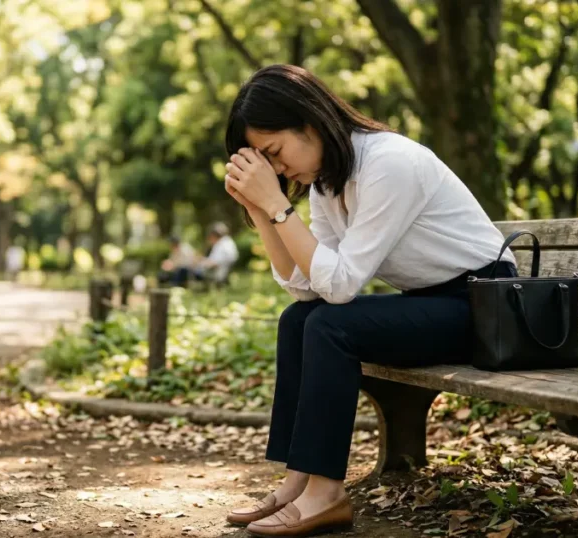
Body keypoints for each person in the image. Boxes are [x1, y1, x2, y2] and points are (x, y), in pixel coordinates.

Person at [220, 64, 516, 537]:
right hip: (435, 303)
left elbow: (340, 287)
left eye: (275, 152)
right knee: (299, 318)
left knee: (328, 325)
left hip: (485, 308)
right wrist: (261, 211)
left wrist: (278, 205)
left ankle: (326, 494)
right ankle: (299, 480)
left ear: (309, 122)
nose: (276, 170)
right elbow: (306, 284)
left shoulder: (389, 163)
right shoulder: (327, 182)